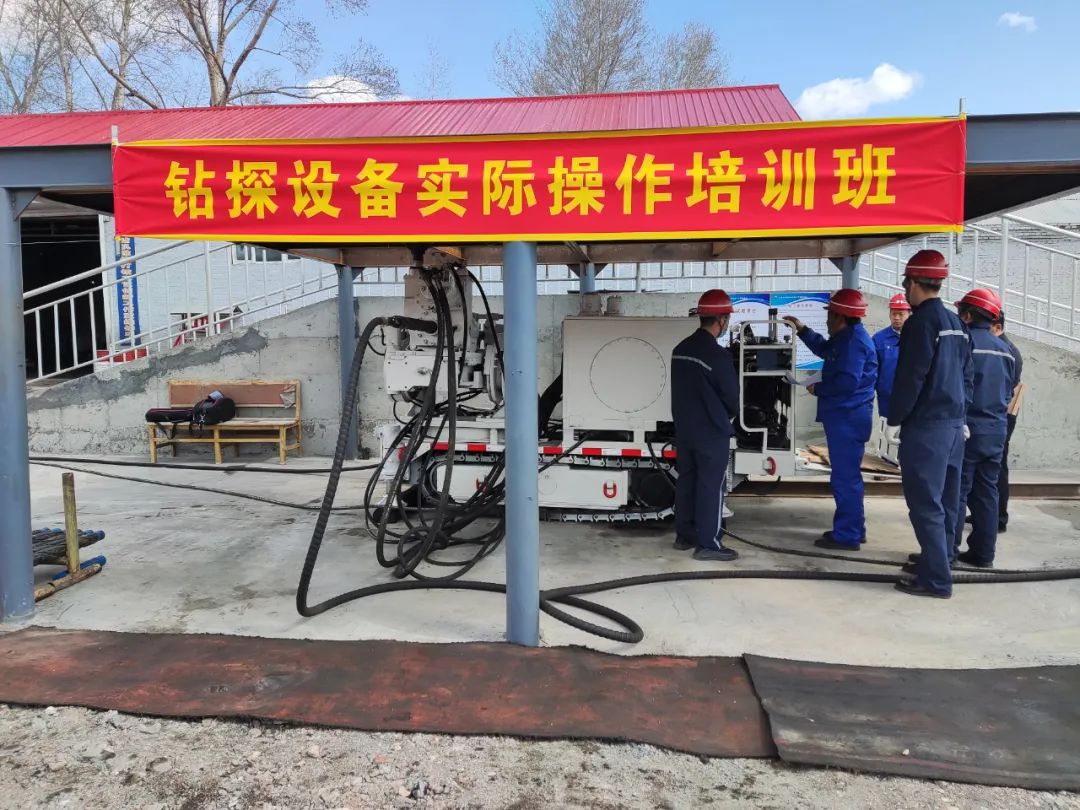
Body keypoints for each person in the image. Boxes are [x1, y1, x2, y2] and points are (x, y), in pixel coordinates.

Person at [886, 250, 973, 598]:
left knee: (925, 505)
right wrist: (962, 416)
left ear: (912, 283)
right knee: (948, 502)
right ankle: (941, 560)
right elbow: (968, 376)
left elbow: (912, 377)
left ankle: (936, 580)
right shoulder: (956, 322)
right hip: (953, 428)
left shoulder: (920, 324)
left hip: (927, 429)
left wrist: (895, 418)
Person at [783, 289, 878, 551]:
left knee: (845, 479)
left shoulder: (853, 343)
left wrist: (819, 388)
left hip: (848, 418)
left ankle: (847, 535)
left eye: (830, 315)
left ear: (840, 316)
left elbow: (847, 382)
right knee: (848, 477)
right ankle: (853, 529)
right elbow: (824, 349)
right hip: (845, 417)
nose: (826, 320)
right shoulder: (845, 338)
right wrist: (802, 330)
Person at [670, 289, 741, 561]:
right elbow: (731, 398)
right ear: (721, 320)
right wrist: (727, 416)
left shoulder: (680, 350)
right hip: (711, 433)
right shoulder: (717, 356)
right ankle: (709, 544)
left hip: (685, 430)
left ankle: (684, 535)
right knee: (711, 487)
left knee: (687, 482)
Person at [951, 289, 1016, 568]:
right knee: (987, 491)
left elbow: (952, 387)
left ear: (967, 315)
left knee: (957, 491)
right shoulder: (1007, 350)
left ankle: (947, 553)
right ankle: (983, 554)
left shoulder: (963, 344)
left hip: (968, 428)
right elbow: (1009, 390)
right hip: (997, 429)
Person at [991, 310, 1023, 532]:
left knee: (998, 466)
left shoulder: (1006, 350)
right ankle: (988, 514)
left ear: (998, 327)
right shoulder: (1002, 347)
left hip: (1003, 414)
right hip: (999, 413)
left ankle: (999, 518)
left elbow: (1005, 387)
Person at [872, 293, 911, 421]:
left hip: (912, 399)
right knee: (887, 432)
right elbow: (872, 370)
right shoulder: (879, 339)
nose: (897, 318)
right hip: (887, 400)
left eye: (901, 314)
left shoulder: (918, 337)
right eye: (894, 314)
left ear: (909, 314)